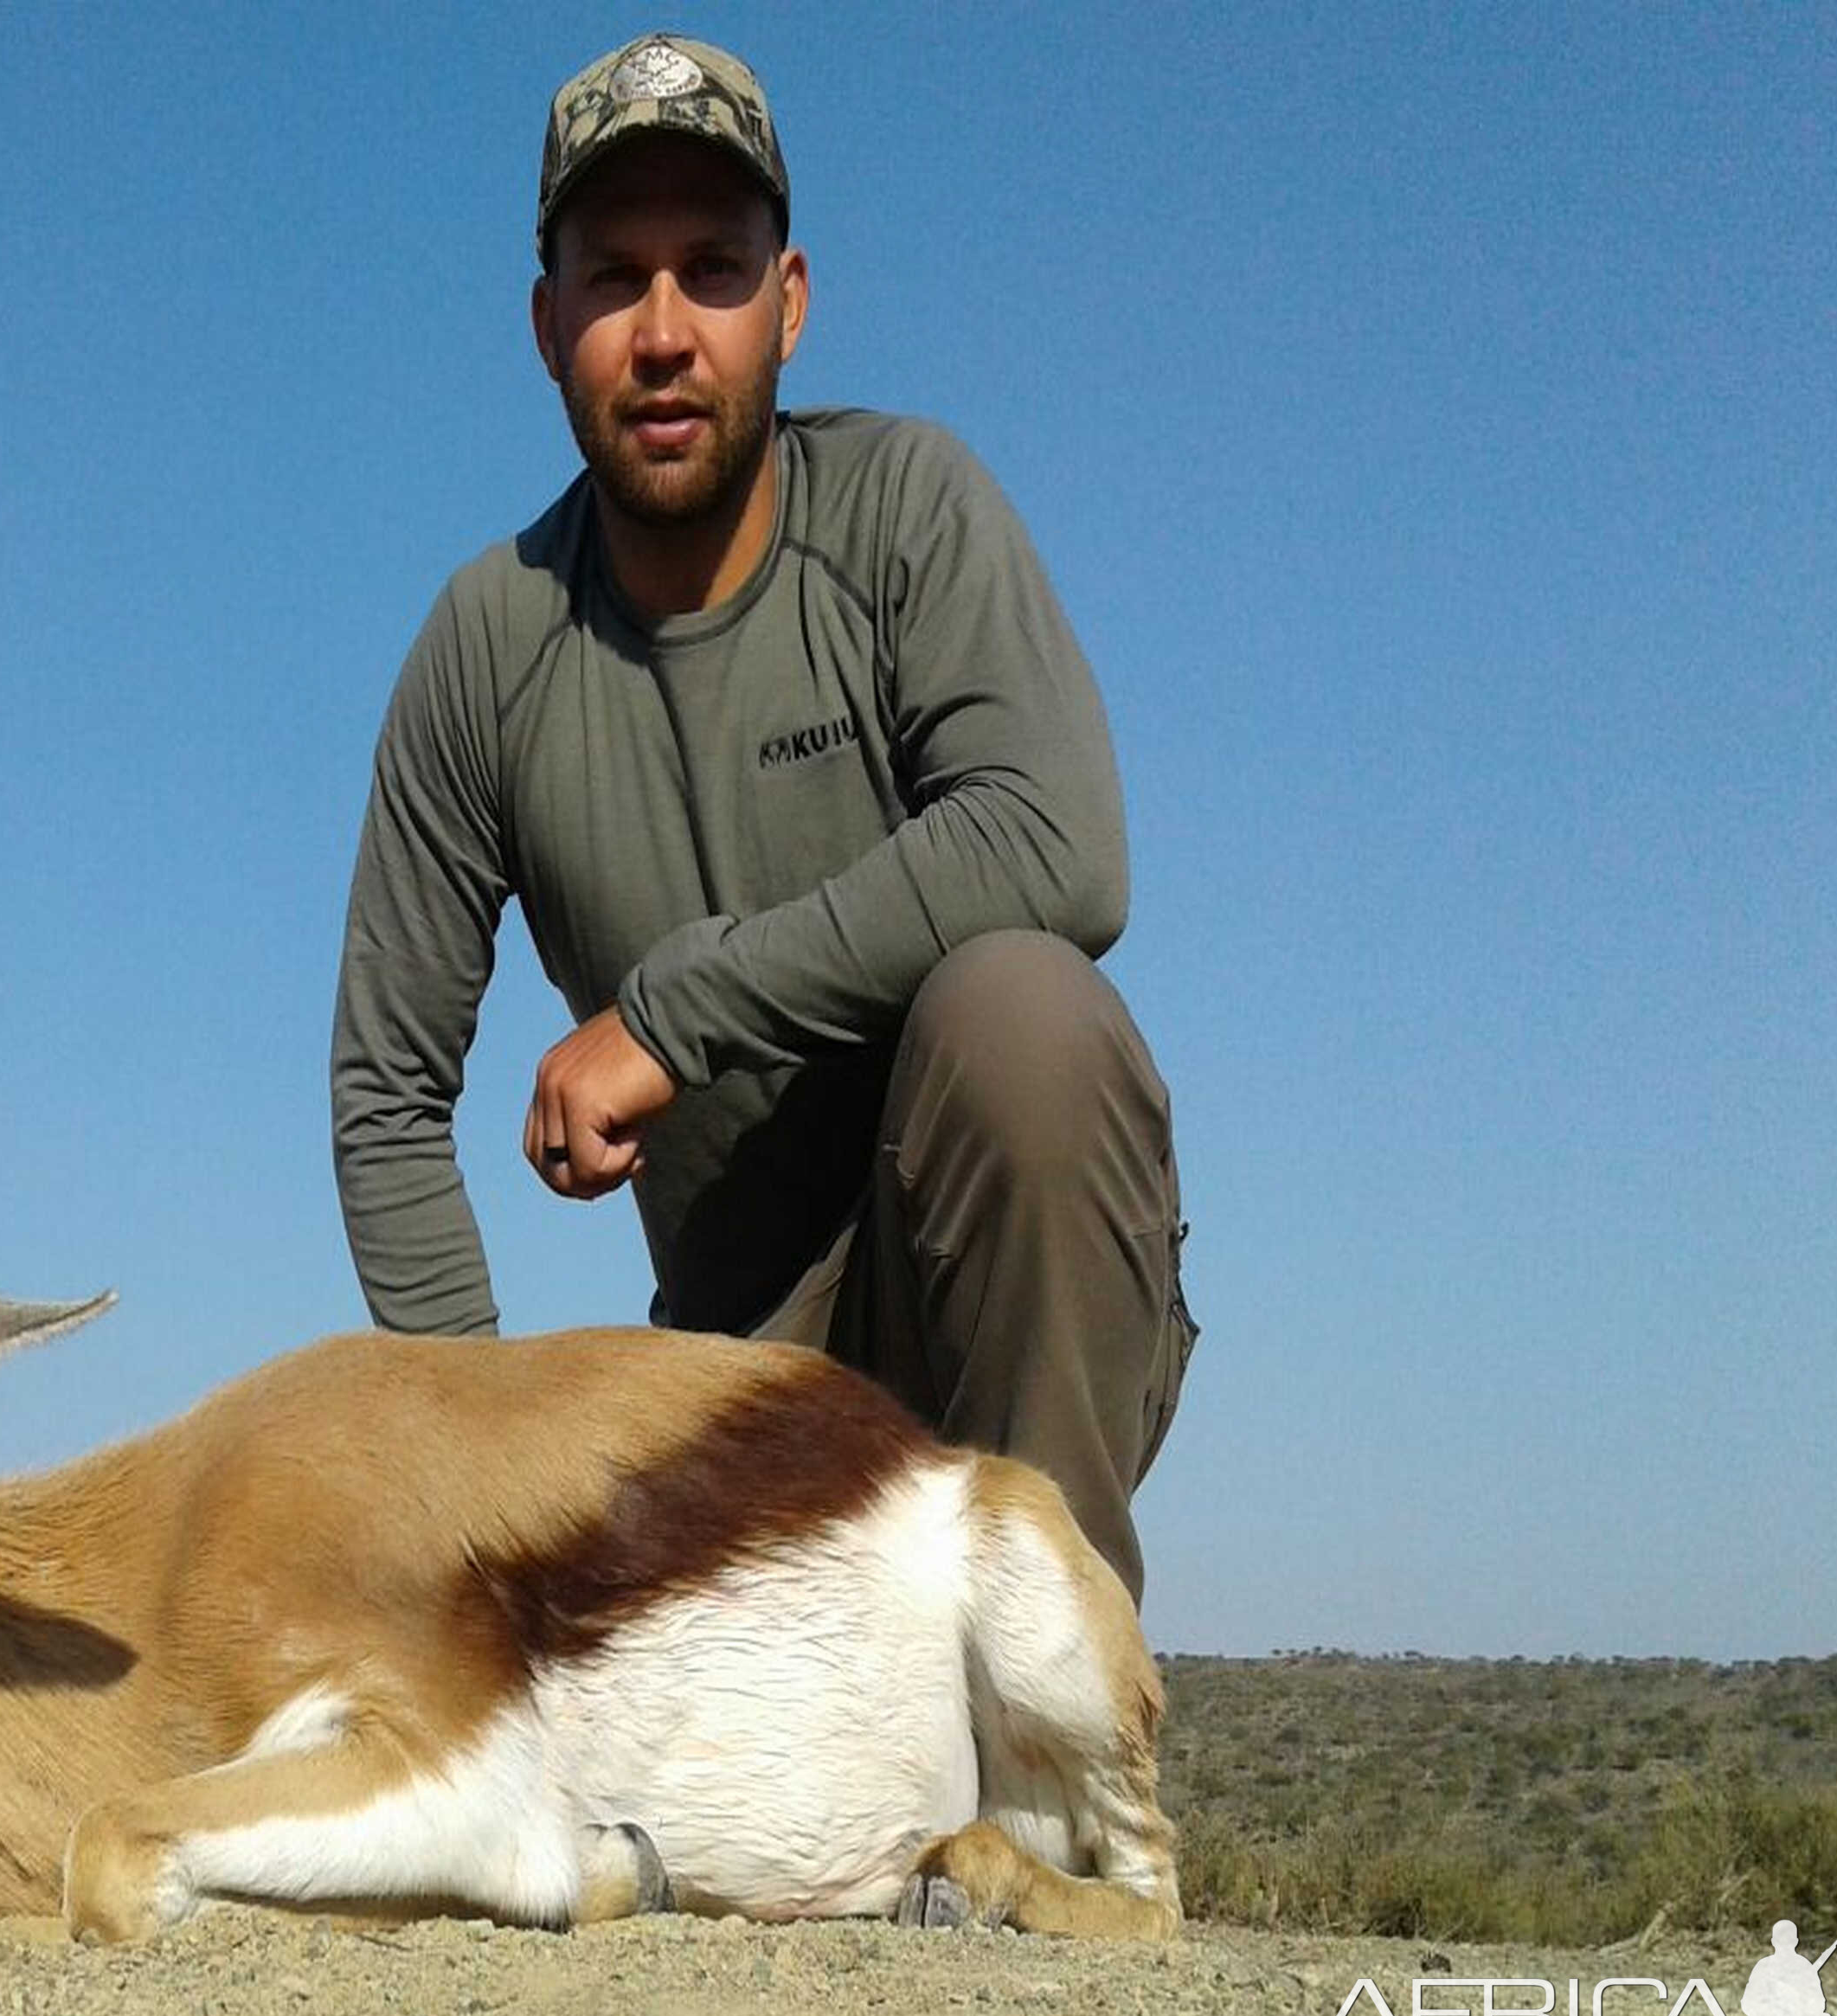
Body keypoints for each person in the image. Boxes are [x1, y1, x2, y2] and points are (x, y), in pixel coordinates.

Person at [329, 32, 1193, 1602]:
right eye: (614, 278)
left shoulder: (911, 509)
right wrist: (486, 1466)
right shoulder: (483, 643)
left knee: (1028, 1015)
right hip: (730, 1389)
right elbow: (389, 1098)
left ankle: (1063, 1740)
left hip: (996, 1307)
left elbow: (1063, 842)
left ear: (787, 300)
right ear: (546, 324)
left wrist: (668, 1015)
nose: (664, 335)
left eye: (711, 269)